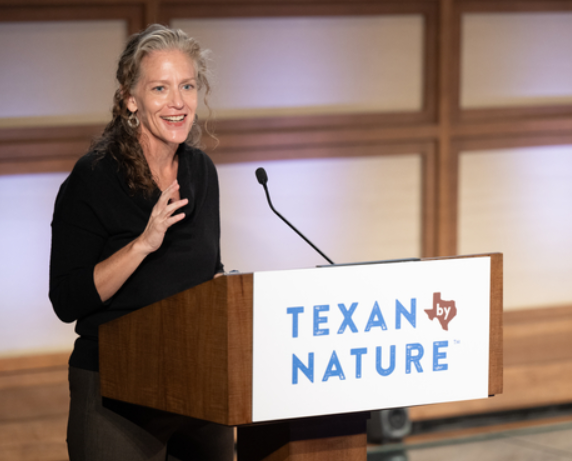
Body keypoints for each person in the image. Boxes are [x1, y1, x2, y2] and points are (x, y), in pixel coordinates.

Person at [49, 24, 234, 461]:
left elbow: (205, 271)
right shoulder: (93, 178)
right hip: (116, 391)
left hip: (196, 385)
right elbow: (67, 299)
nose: (178, 103)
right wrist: (143, 245)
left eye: (187, 86)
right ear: (130, 99)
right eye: (160, 88)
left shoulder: (200, 171)